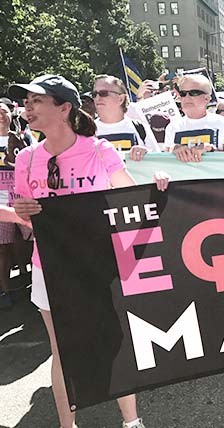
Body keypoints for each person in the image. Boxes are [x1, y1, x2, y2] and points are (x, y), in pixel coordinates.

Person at [9, 73, 170, 428]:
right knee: (62, 351)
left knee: (111, 340)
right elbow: (26, 217)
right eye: (26, 101)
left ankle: (131, 421)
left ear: (64, 108)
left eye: (36, 100)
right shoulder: (27, 158)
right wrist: (22, 213)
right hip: (48, 266)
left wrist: (158, 182)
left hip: (98, 265)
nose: (27, 107)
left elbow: (129, 198)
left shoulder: (99, 150)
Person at [165, 74, 224, 163]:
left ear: (207, 98)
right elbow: (166, 161)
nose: (187, 97)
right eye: (183, 93)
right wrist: (173, 149)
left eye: (193, 93)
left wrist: (211, 150)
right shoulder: (173, 127)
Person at [0, 102, 32, 309]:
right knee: (3, 245)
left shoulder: (24, 136)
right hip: (1, 195)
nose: (1, 116)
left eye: (3, 112)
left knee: (32, 237)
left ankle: (34, 279)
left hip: (21, 189)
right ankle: (5, 290)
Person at [92, 75, 161, 162]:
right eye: (94, 94)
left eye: (103, 93)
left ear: (121, 99)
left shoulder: (140, 128)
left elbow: (158, 163)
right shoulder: (86, 131)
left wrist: (147, 154)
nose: (98, 98)